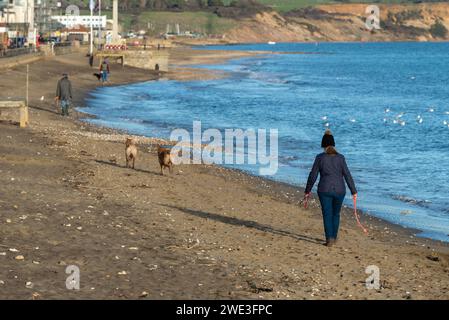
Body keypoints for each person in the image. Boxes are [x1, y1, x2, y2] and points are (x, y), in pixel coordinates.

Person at [304, 129, 357, 247]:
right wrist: (353, 191)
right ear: (333, 144)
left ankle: (329, 239)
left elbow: (313, 175)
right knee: (336, 214)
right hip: (339, 190)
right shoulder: (341, 158)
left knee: (327, 214)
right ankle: (334, 237)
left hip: (324, 190)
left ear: (323, 145)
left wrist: (307, 190)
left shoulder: (320, 158)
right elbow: (347, 174)